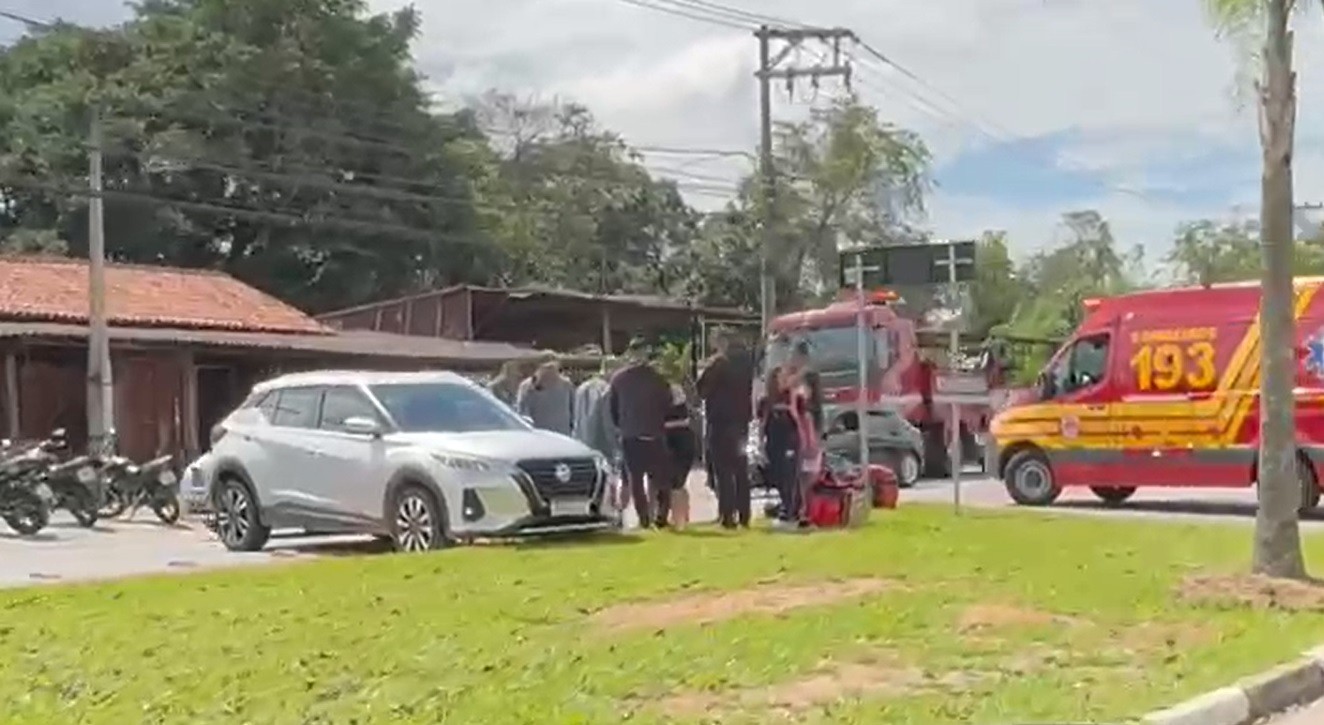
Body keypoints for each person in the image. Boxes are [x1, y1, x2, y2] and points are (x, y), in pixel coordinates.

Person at [608, 338, 673, 529]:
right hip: (650, 433)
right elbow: (668, 402)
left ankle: (647, 519)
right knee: (658, 479)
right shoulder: (657, 377)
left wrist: (622, 425)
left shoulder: (619, 378)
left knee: (639, 479)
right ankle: (657, 517)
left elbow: (613, 409)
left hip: (633, 434)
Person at [696, 328, 755, 529]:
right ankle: (745, 513)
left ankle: (727, 515)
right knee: (740, 469)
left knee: (723, 471)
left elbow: (702, 389)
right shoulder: (747, 362)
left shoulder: (719, 363)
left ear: (722, 342)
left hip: (720, 422)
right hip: (741, 422)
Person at [760, 352, 821, 530]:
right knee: (780, 477)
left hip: (791, 441)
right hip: (773, 442)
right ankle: (789, 510)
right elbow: (762, 422)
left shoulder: (793, 397)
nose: (785, 380)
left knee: (791, 476)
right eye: (781, 377)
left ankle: (792, 513)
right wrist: (760, 443)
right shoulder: (767, 400)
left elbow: (802, 418)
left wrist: (808, 441)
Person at [664, 383, 697, 529]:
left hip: (672, 441)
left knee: (675, 483)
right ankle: (683, 515)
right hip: (686, 440)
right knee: (679, 482)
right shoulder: (683, 409)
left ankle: (679, 519)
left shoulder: (663, 408)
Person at [516, 358, 575, 436]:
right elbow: (522, 412)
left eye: (553, 369)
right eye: (547, 369)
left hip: (562, 434)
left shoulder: (566, 385)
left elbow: (573, 408)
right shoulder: (527, 387)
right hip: (538, 434)